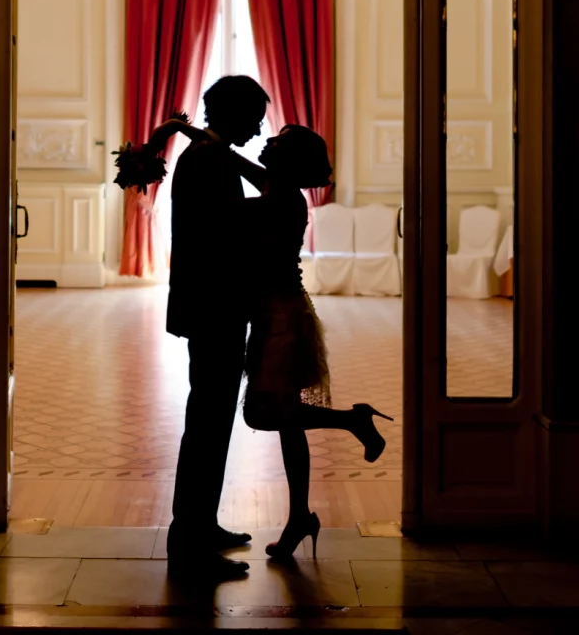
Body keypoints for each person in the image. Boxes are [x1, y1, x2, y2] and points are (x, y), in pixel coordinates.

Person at [127, 114, 392, 568]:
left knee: (263, 413)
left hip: (280, 319)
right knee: (287, 420)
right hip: (279, 313)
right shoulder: (277, 185)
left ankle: (353, 421)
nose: (267, 140)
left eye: (280, 140)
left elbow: (223, 216)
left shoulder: (281, 198)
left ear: (291, 159)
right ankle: (298, 518)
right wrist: (183, 133)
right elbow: (231, 159)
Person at [161, 75, 270, 581]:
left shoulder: (208, 155)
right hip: (215, 307)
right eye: (255, 117)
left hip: (212, 306)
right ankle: (190, 539)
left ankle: (201, 524)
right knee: (207, 424)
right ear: (235, 113)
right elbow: (222, 232)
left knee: (210, 421)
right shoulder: (208, 158)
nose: (258, 127)